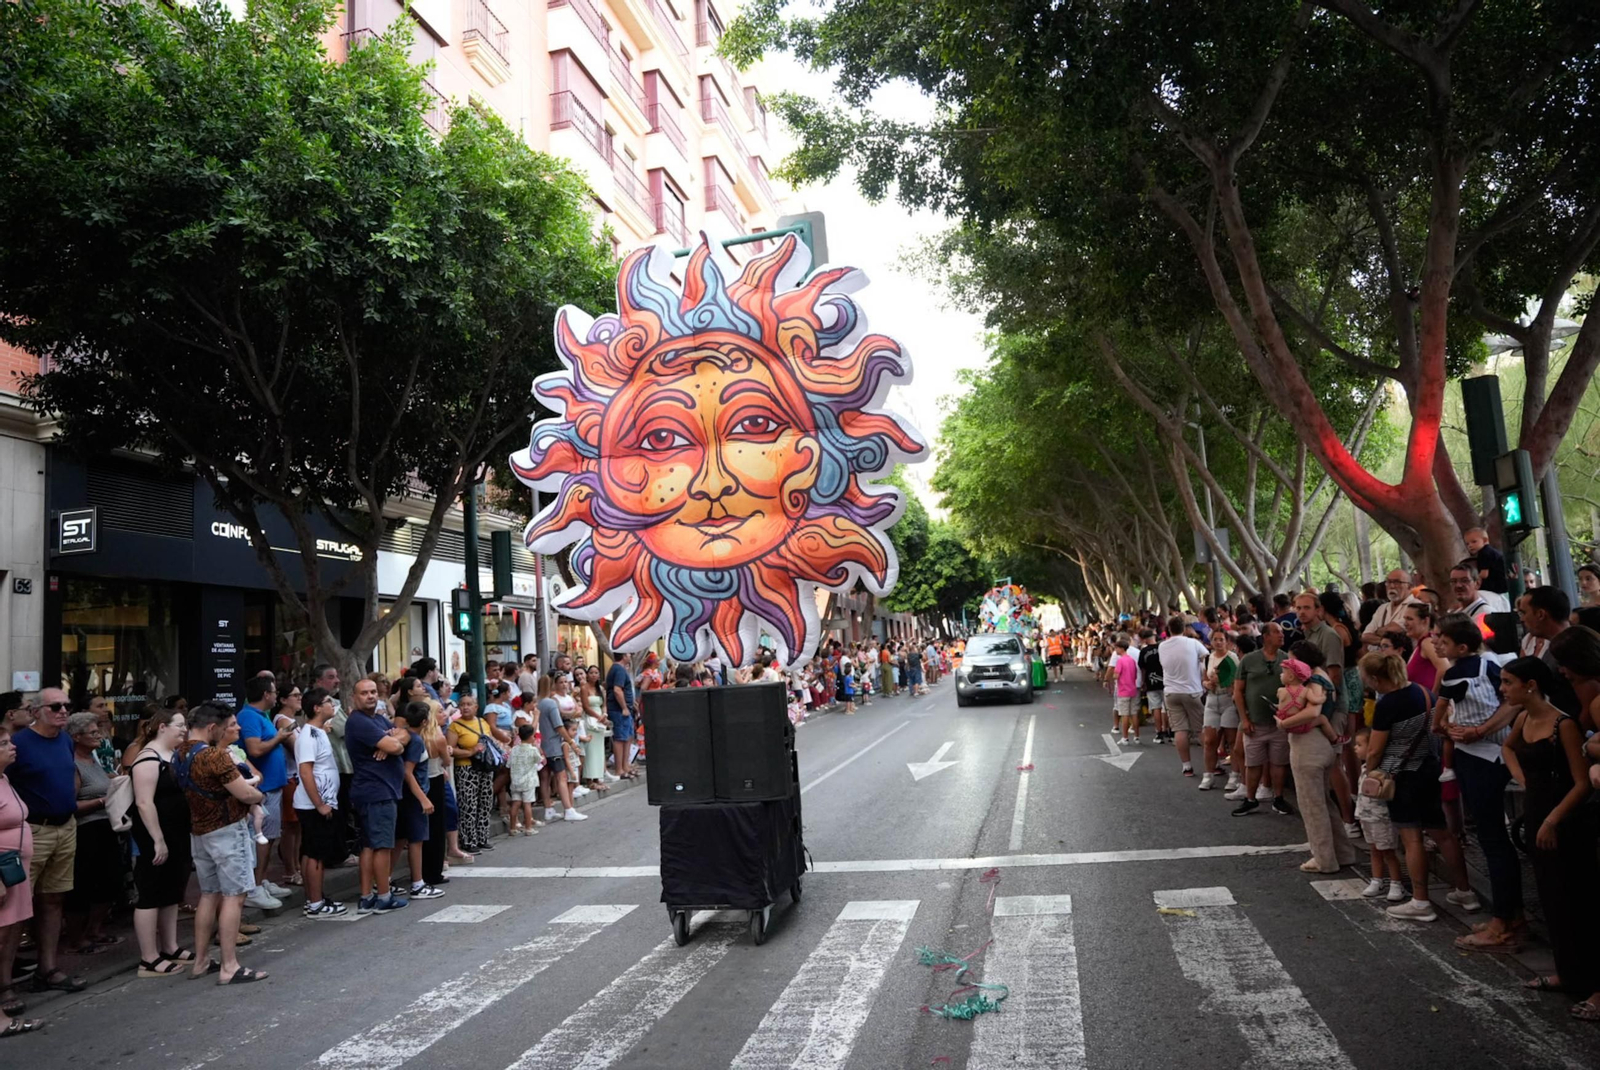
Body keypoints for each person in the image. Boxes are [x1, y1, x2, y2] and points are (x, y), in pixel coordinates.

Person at [1499, 656, 1599, 1019]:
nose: (1502, 688)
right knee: (1552, 899)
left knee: (1581, 903)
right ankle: (1568, 973)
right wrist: (1524, 781)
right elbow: (1508, 748)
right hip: (1539, 814)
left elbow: (1582, 781)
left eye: (1508, 682)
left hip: (1567, 822)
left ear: (1531, 685)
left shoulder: (1563, 724)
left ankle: (1594, 983)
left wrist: (1553, 820)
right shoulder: (1523, 718)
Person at [1359, 652, 1476, 922]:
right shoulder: (1424, 693)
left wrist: (1371, 770)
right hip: (1430, 768)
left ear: (1376, 678)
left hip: (1402, 776)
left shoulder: (1388, 705)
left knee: (1411, 838)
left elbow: (1375, 749)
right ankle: (1465, 891)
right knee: (1442, 832)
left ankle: (1420, 901)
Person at [1430, 614, 1522, 952]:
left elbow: (1438, 716)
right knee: (1493, 837)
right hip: (1493, 753)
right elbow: (1507, 702)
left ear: (1463, 646)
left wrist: (1468, 730)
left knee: (1493, 839)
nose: (1436, 642)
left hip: (1482, 758)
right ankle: (1509, 917)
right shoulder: (1494, 664)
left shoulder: (1460, 672)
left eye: (1442, 638)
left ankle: (1505, 923)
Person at [173, 702, 267, 984]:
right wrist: (257, 795)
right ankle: (229, 966)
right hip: (226, 830)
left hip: (199, 831)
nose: (230, 731)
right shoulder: (215, 756)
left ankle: (201, 961)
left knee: (209, 894)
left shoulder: (180, 753)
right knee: (234, 897)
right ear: (212, 727)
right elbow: (245, 795)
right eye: (226, 727)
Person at [9, 689, 83, 995]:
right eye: (56, 706)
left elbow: (70, 774)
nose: (64, 711)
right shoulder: (19, 744)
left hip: (65, 827)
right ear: (37, 711)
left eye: (67, 705)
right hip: (33, 831)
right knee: (16, 911)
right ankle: (5, 985)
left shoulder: (65, 739)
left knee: (54, 900)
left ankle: (48, 969)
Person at [1275, 644, 1358, 874]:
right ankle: (1342, 852)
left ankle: (1324, 859)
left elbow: (1313, 713)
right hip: (1322, 745)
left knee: (1312, 806)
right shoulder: (1323, 678)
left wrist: (1284, 723)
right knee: (1324, 802)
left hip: (1309, 746)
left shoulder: (1315, 682)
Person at [126, 707, 193, 974]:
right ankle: (148, 958)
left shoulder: (174, 756)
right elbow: (143, 803)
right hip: (154, 835)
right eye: (179, 725)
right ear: (162, 727)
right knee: (151, 893)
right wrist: (157, 840)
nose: (184, 729)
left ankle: (170, 946)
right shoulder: (147, 758)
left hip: (177, 833)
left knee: (172, 890)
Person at [343, 677, 408, 914]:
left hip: (379, 789)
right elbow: (396, 746)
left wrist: (392, 740)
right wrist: (390, 743)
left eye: (373, 692)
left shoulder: (377, 719)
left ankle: (366, 897)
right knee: (381, 845)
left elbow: (404, 733)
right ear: (354, 697)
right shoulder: (359, 721)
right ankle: (383, 896)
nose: (370, 696)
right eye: (364, 693)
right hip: (375, 790)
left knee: (370, 845)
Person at [62, 712, 121, 955]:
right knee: (85, 883)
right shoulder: (73, 765)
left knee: (110, 880)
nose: (99, 735)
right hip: (87, 829)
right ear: (76, 737)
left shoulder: (94, 759)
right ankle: (78, 936)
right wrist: (101, 801)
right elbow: (71, 804)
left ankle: (95, 929)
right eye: (93, 732)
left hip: (106, 826)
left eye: (99, 731)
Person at [233, 675, 292, 911]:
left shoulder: (261, 715)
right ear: (266, 694)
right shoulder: (248, 716)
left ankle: (262, 879)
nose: (276, 695)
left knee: (270, 835)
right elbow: (255, 749)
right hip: (263, 789)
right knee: (263, 838)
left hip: (273, 785)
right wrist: (279, 737)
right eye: (274, 691)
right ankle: (254, 887)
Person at [0, 726, 44, 1037]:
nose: (12, 745)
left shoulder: (3, 778)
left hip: (14, 871)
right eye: (3, 743)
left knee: (8, 939)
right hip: (2, 876)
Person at [291, 687, 347, 919]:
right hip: (313, 805)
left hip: (320, 802)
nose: (332, 705)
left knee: (311, 851)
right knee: (316, 853)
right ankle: (315, 903)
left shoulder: (318, 732)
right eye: (327, 702)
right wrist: (320, 804)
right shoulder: (307, 736)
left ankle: (314, 897)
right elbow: (305, 772)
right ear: (316, 708)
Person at [1230, 621, 1291, 815]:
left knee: (1278, 762)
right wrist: (1244, 719)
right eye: (1277, 632)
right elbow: (1238, 692)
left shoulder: (1287, 660)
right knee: (1253, 762)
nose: (1282, 635)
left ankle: (1278, 798)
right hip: (1254, 722)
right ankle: (1250, 798)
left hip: (1279, 722)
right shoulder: (1249, 660)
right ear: (1265, 637)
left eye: (1282, 632)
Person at [391, 702, 441, 902]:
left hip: (404, 795)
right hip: (414, 796)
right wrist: (423, 799)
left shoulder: (405, 737)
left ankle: (384, 880)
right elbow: (407, 772)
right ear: (424, 721)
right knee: (416, 840)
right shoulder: (416, 741)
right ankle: (417, 883)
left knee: (401, 838)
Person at [1350, 725, 1406, 902]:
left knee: (1388, 851)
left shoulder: (1381, 770)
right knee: (1374, 849)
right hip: (1367, 815)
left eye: (1359, 745)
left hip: (1382, 817)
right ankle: (1377, 880)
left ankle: (1396, 883)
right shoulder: (1364, 767)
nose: (1355, 748)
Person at [447, 693, 500, 852]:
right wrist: (470, 752)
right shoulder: (455, 726)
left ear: (476, 707)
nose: (465, 707)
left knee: (485, 801)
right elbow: (450, 750)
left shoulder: (483, 722)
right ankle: (468, 841)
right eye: (462, 704)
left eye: (469, 704)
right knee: (468, 804)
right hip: (466, 768)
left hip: (484, 766)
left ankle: (482, 837)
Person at [1158, 616, 1208, 776]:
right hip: (1192, 691)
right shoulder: (1192, 643)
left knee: (1180, 730)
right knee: (1201, 729)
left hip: (1171, 692)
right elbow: (1206, 655)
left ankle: (1187, 766)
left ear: (1169, 630)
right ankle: (1211, 765)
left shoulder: (1162, 646)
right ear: (1184, 629)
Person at [537, 676, 584, 822]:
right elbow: (558, 726)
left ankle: (548, 808)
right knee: (561, 777)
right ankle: (568, 809)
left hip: (541, 744)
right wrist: (570, 741)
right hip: (553, 745)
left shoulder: (538, 703)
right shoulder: (550, 704)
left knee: (545, 777)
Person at [1199, 630, 1239, 791]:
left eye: (1221, 639)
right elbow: (1204, 677)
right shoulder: (1209, 657)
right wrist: (1206, 684)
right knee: (1209, 740)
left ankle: (1235, 776)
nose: (1218, 642)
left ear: (1227, 642)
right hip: (1211, 699)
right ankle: (1208, 775)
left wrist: (1223, 680)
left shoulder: (1232, 658)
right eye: (1215, 639)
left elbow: (1236, 679)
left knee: (1232, 740)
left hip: (1227, 699)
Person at [1360, 570, 1417, 647]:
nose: (1392, 586)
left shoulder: (1417, 605)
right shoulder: (1382, 608)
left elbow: (1395, 629)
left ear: (1410, 586)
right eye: (1389, 582)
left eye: (1397, 582)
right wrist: (1388, 643)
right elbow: (1365, 636)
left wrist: (1377, 632)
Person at [508, 725, 541, 836]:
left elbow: (508, 764)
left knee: (516, 803)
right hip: (528, 781)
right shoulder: (532, 749)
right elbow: (539, 760)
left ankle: (512, 828)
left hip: (516, 780)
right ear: (531, 736)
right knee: (527, 804)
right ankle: (528, 828)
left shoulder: (514, 749)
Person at [1138, 630, 1167, 743]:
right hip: (1165, 681)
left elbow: (1142, 668)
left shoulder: (1144, 651)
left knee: (1156, 708)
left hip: (1151, 682)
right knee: (1167, 708)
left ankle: (1159, 732)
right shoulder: (1162, 648)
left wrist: (1143, 682)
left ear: (1145, 639)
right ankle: (1169, 732)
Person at [1110, 639, 1140, 745]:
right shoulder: (1132, 660)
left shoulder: (1120, 661)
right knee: (1134, 713)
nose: (1115, 650)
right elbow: (1135, 675)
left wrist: (1113, 676)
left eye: (1116, 648)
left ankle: (1125, 737)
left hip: (1123, 690)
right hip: (1133, 689)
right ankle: (1136, 736)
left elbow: (1116, 675)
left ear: (1121, 649)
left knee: (1124, 714)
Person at [1463, 527, 1509, 595]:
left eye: (1474, 542)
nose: (1470, 546)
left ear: (1485, 540)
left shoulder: (1484, 553)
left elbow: (1484, 574)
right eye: (1467, 544)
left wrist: (1472, 579)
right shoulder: (1490, 551)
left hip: (1497, 584)